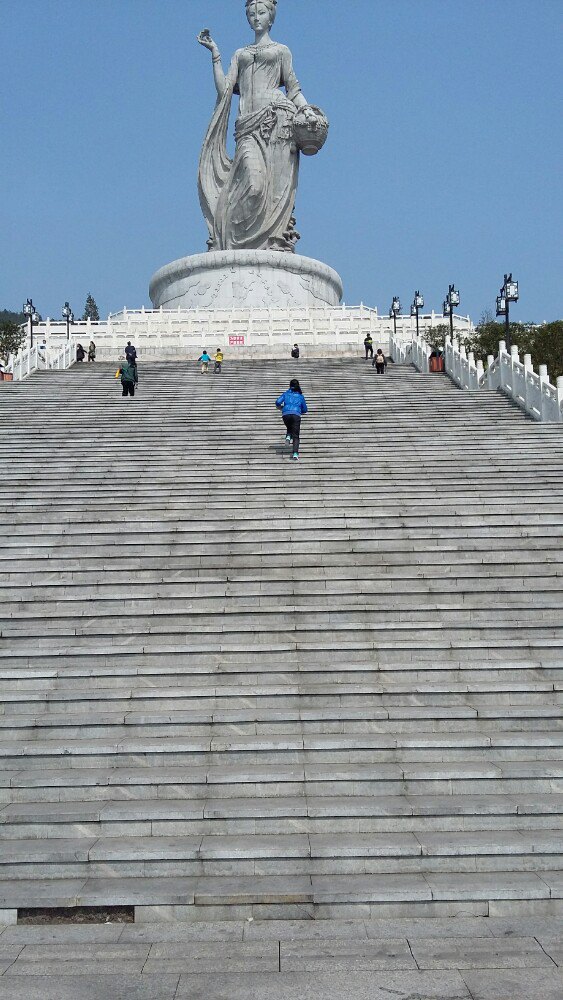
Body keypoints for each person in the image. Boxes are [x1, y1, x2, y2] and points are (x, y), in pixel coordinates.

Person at [197, 1, 321, 252]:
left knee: (276, 188)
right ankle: (230, 240)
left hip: (278, 122)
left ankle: (275, 239)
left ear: (271, 17)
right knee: (252, 185)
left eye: (261, 13)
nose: (256, 18)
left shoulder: (282, 51)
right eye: (252, 14)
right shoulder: (240, 54)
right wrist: (215, 55)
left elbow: (294, 89)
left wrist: (306, 110)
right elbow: (224, 91)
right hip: (247, 127)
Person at [275, 377, 308, 461]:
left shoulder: (285, 394)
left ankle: (288, 437)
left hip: (285, 414)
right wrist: (299, 410)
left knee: (289, 426)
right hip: (296, 415)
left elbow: (278, 402)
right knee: (296, 435)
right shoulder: (300, 396)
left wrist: (282, 408)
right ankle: (295, 454)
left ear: (290, 386)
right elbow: (305, 409)